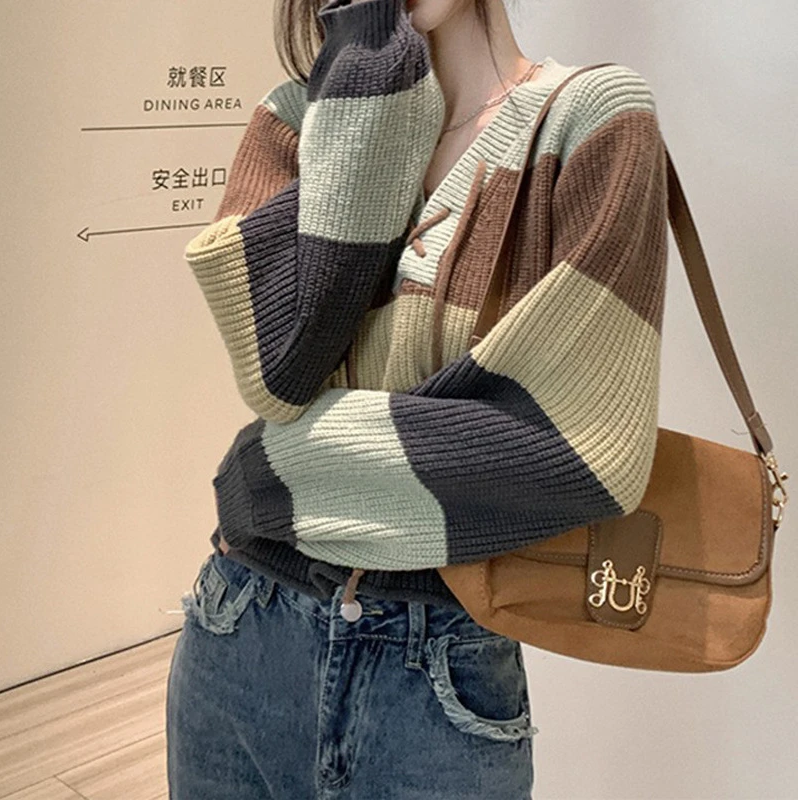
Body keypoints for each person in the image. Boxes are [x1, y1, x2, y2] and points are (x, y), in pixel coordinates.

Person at [166, 0, 669, 797]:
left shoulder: (592, 121)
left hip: (438, 670)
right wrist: (375, 91)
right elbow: (280, 369)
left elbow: (578, 450)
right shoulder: (295, 122)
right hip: (241, 628)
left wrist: (268, 470)